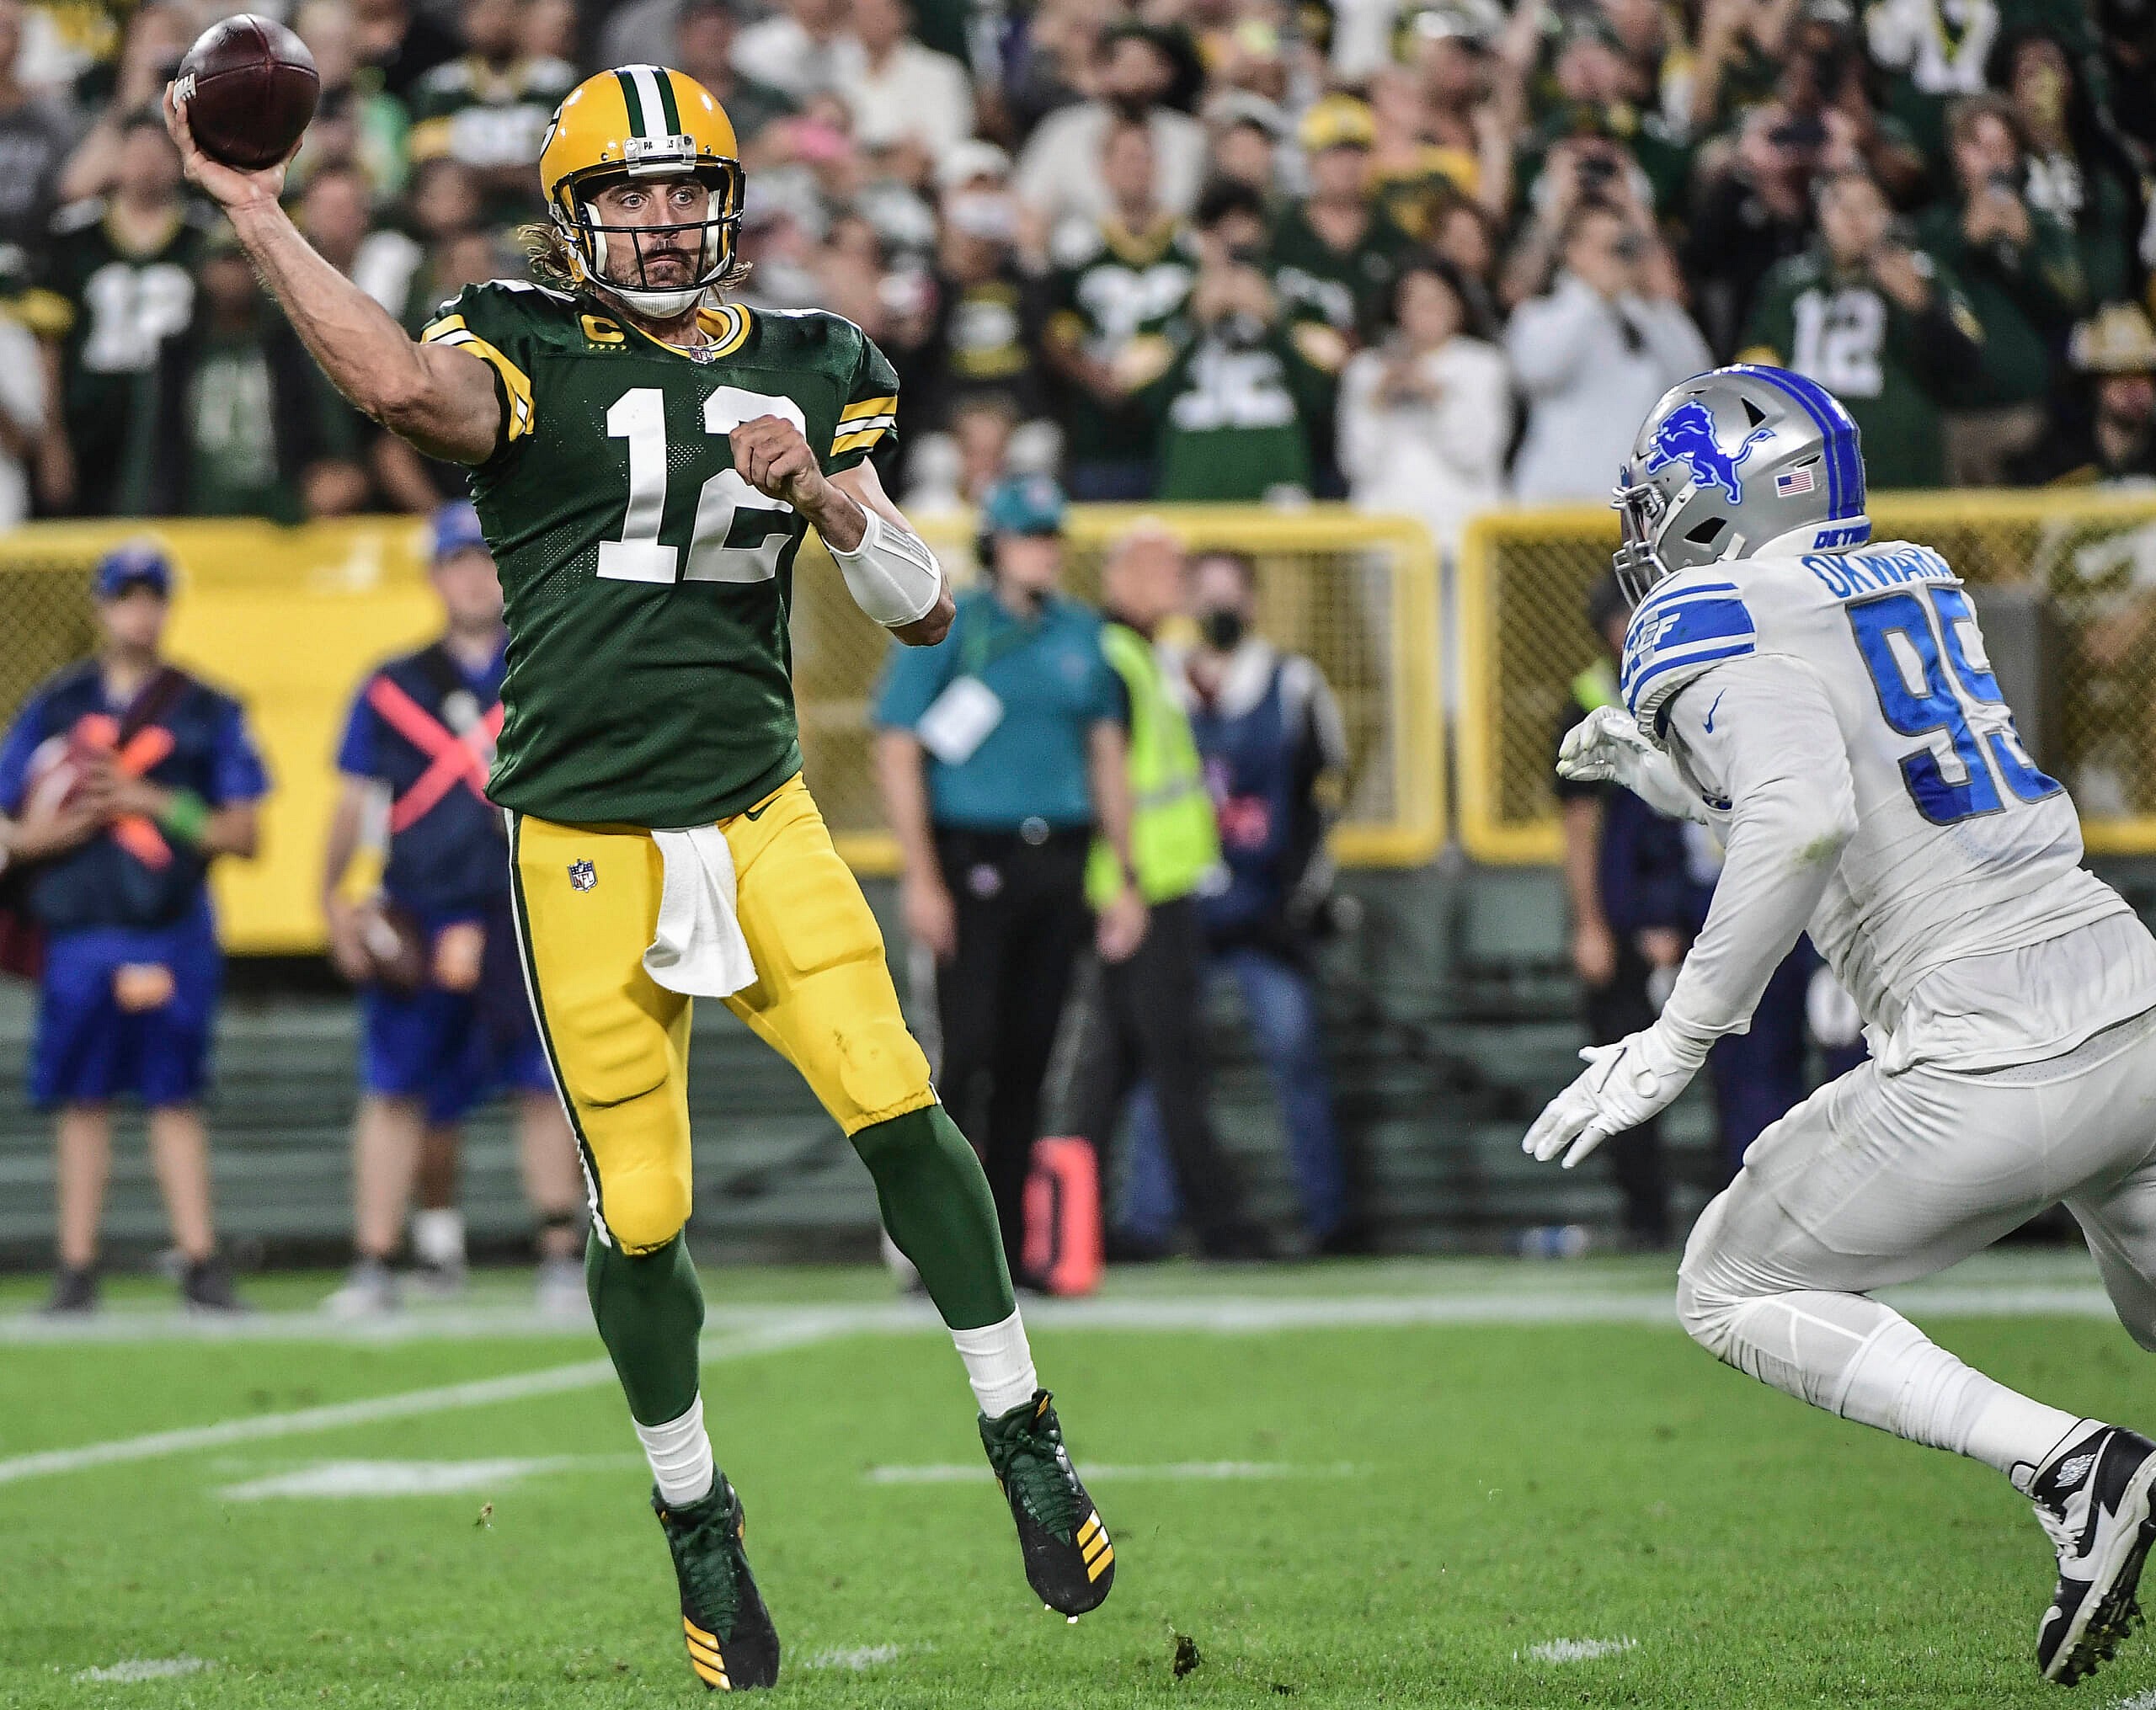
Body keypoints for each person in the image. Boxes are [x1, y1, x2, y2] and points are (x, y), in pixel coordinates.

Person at [167, 58, 1113, 1690]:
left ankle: (1019, 1421)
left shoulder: (819, 364)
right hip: (583, 840)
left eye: (687, 191)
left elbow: (921, 607)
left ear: (728, 206)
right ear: (573, 214)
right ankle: (693, 1507)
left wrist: (817, 489)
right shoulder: (513, 340)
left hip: (756, 809)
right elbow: (401, 390)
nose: (663, 221)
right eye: (629, 193)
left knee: (901, 1101)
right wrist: (255, 210)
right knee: (644, 1209)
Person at [1533, 362, 2156, 1688]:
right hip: (2130, 994)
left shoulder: (1702, 609)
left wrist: (1678, 1034)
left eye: (1668, 500)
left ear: (1731, 494)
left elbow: (1805, 815)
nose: (1651, 533)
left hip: (1987, 1042)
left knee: (1728, 1281)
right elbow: (1852, 781)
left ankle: (2069, 1465)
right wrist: (1668, 775)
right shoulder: (1914, 572)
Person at [320, 501, 585, 1319]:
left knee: (544, 1087)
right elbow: (355, 798)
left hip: (526, 905)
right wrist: (332, 899)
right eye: (456, 560)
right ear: (435, 574)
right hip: (419, 907)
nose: (471, 573)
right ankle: (374, 1262)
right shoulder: (391, 683)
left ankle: (561, 1257)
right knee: (393, 1089)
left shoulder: (547, 663)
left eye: (483, 557)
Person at [872, 472, 1139, 1276]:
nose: (1044, 551)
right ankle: (943, 1244)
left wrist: (1121, 874)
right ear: (997, 545)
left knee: (1032, 1055)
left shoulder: (1083, 635)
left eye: (1051, 537)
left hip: (1057, 856)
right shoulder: (952, 625)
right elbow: (897, 745)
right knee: (969, 1052)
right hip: (973, 857)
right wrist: (922, 876)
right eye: (1030, 536)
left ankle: (1012, 1253)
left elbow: (1107, 755)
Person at [0, 543, 269, 1314]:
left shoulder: (207, 707)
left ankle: (199, 1259)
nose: (139, 612)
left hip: (169, 927)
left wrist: (150, 801)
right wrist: (44, 836)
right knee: (81, 1100)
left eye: (153, 597)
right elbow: (12, 820)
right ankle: (76, 1266)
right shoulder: (55, 704)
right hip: (81, 928)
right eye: (126, 596)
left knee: (174, 1096)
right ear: (101, 605)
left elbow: (243, 834)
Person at [1118, 550, 1357, 1255]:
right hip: (1177, 903)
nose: (1218, 607)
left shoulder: (1292, 682)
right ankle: (1147, 1219)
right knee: (1159, 1067)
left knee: (1296, 1056)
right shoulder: (1157, 677)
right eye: (1205, 592)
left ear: (1253, 602)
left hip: (1263, 915)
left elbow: (1326, 796)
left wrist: (1300, 897)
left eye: (1230, 594)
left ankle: (1329, 1215)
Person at [1067, 525, 1272, 1260]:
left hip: (1152, 885)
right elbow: (1108, 774)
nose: (1178, 579)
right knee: (1172, 1061)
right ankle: (1223, 1225)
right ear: (1119, 576)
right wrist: (1123, 883)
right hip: (1143, 890)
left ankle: (1069, 1222)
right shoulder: (1119, 658)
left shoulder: (1136, 655)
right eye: (1162, 567)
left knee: (1117, 1068)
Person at [1550, 573, 1683, 1248]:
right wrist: (1592, 925)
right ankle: (1647, 1217)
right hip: (1629, 916)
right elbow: (1580, 827)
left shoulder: (1698, 680)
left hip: (1697, 906)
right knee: (1624, 1068)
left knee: (1748, 1069)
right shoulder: (1589, 700)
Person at [1738, 165, 1983, 491]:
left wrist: (1923, 308)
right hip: (1809, 477)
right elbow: (1753, 376)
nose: (1855, 220)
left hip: (1904, 475)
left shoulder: (1925, 276)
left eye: (1868, 206)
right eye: (1842, 206)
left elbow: (1972, 369)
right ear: (1820, 214)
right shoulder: (1787, 285)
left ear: (1889, 214)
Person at [1917, 95, 2087, 485]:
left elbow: (2072, 303)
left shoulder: (2045, 228)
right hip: (1947, 420)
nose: (1993, 160)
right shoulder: (1933, 230)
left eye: (2003, 148)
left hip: (2027, 422)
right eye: (1978, 146)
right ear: (1957, 155)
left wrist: (2027, 250)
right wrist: (1965, 239)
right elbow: (1917, 299)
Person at [1506, 197, 1712, 503]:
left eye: (1621, 246)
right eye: (1603, 246)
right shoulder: (1540, 315)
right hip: (1556, 504)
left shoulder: (1648, 314)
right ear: (1571, 251)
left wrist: (1655, 302)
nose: (1614, 257)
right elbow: (1538, 370)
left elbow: (1695, 380)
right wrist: (1593, 297)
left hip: (1634, 504)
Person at [1336, 254, 1511, 556]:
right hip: (1383, 541)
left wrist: (1437, 396)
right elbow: (1356, 463)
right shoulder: (1365, 370)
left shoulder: (1484, 366)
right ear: (1397, 308)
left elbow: (1477, 454)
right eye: (1415, 300)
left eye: (1438, 299)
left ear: (1459, 305)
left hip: (1461, 542)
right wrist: (1376, 402)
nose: (1427, 310)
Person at [2011, 301, 2156, 486]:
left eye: (2145, 376)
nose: (2135, 389)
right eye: (2119, 375)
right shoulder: (2058, 456)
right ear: (2095, 383)